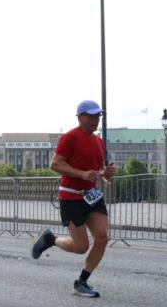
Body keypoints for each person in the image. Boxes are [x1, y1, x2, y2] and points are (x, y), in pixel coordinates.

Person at [31, 99, 117, 297]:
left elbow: (95, 171)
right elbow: (55, 165)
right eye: (91, 115)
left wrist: (106, 173)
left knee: (102, 237)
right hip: (71, 197)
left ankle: (82, 282)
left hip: (92, 197)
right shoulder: (70, 137)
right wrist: (81, 174)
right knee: (81, 247)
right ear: (80, 117)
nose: (96, 120)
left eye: (98, 116)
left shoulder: (98, 141)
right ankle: (50, 239)